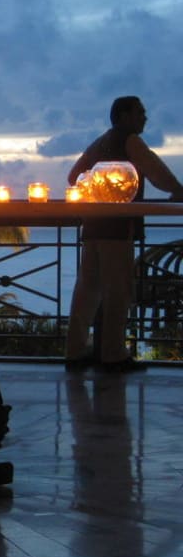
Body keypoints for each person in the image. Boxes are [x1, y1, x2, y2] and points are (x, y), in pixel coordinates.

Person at [65, 96, 183, 372]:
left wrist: (95, 190)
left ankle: (75, 351)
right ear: (124, 116)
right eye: (140, 113)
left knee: (87, 290)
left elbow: (73, 176)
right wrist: (178, 190)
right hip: (117, 228)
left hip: (93, 225)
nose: (145, 118)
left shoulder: (100, 142)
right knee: (118, 291)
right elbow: (157, 172)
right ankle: (113, 354)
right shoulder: (129, 141)